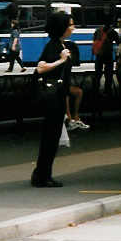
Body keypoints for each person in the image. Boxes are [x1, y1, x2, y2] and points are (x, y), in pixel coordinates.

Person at [31, 12, 76, 188]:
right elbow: (40, 68)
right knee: (50, 139)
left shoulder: (61, 44)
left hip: (58, 99)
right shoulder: (54, 46)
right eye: (70, 24)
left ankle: (42, 174)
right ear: (62, 27)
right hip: (52, 100)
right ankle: (42, 176)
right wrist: (61, 60)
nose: (73, 28)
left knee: (52, 138)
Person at [93, 21, 120, 96]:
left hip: (99, 55)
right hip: (108, 54)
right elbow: (118, 42)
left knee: (98, 73)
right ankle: (107, 90)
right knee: (108, 74)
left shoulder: (98, 30)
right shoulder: (113, 32)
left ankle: (95, 90)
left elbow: (94, 40)